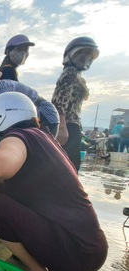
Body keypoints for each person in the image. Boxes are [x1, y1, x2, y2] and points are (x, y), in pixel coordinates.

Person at [0, 92, 107, 271]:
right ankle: (34, 261)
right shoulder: (43, 137)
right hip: (87, 248)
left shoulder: (18, 136)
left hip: (76, 251)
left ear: (2, 119)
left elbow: (1, 167)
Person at [52, 36, 100, 172]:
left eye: (88, 54)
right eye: (80, 52)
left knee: (69, 165)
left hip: (72, 125)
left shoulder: (77, 75)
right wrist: (61, 126)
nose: (84, 57)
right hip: (67, 125)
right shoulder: (70, 73)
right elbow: (59, 101)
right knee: (68, 166)